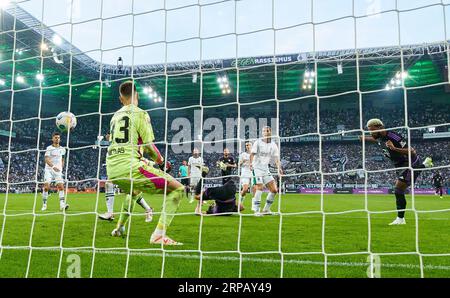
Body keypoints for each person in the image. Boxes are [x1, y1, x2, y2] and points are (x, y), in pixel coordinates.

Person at [107, 80, 184, 245]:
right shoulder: (140, 113)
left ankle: (119, 228)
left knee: (133, 192)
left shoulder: (114, 117)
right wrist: (162, 162)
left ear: (121, 99)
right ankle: (158, 236)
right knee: (178, 190)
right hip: (130, 166)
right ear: (138, 96)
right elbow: (149, 146)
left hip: (112, 169)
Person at [361, 118, 433, 225]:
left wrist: (394, 148)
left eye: (373, 130)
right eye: (370, 131)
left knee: (398, 190)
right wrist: (364, 138)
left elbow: (412, 151)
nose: (371, 133)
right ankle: (424, 165)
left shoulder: (394, 137)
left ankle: (400, 219)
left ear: (380, 128)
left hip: (408, 163)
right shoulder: (380, 136)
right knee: (406, 184)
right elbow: (376, 139)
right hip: (398, 165)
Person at [98, 134, 153, 222]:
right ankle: (110, 213)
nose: (107, 136)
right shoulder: (120, 139)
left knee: (133, 192)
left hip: (134, 165)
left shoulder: (136, 138)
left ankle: (148, 209)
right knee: (109, 183)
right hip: (124, 164)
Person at [250, 126, 283, 216]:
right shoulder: (258, 142)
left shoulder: (273, 145)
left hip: (265, 169)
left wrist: (279, 168)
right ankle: (256, 211)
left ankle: (266, 210)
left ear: (270, 132)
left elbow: (276, 158)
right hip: (256, 168)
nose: (265, 132)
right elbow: (252, 154)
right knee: (259, 187)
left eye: (267, 131)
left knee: (274, 190)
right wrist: (250, 164)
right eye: (264, 131)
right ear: (262, 133)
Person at [41, 131, 69, 211]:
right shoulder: (49, 148)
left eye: (58, 138)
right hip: (49, 170)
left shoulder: (63, 149)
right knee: (46, 187)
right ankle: (44, 204)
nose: (57, 139)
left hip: (58, 170)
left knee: (61, 186)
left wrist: (61, 168)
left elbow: (63, 159)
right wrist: (53, 167)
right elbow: (46, 159)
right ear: (52, 138)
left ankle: (62, 205)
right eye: (56, 137)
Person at [238, 141, 253, 209]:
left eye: (249, 145)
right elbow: (239, 164)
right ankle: (239, 203)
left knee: (255, 189)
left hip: (253, 172)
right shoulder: (243, 154)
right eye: (246, 145)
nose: (247, 146)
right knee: (245, 189)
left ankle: (255, 206)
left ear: (252, 146)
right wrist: (242, 161)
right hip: (245, 172)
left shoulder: (255, 154)